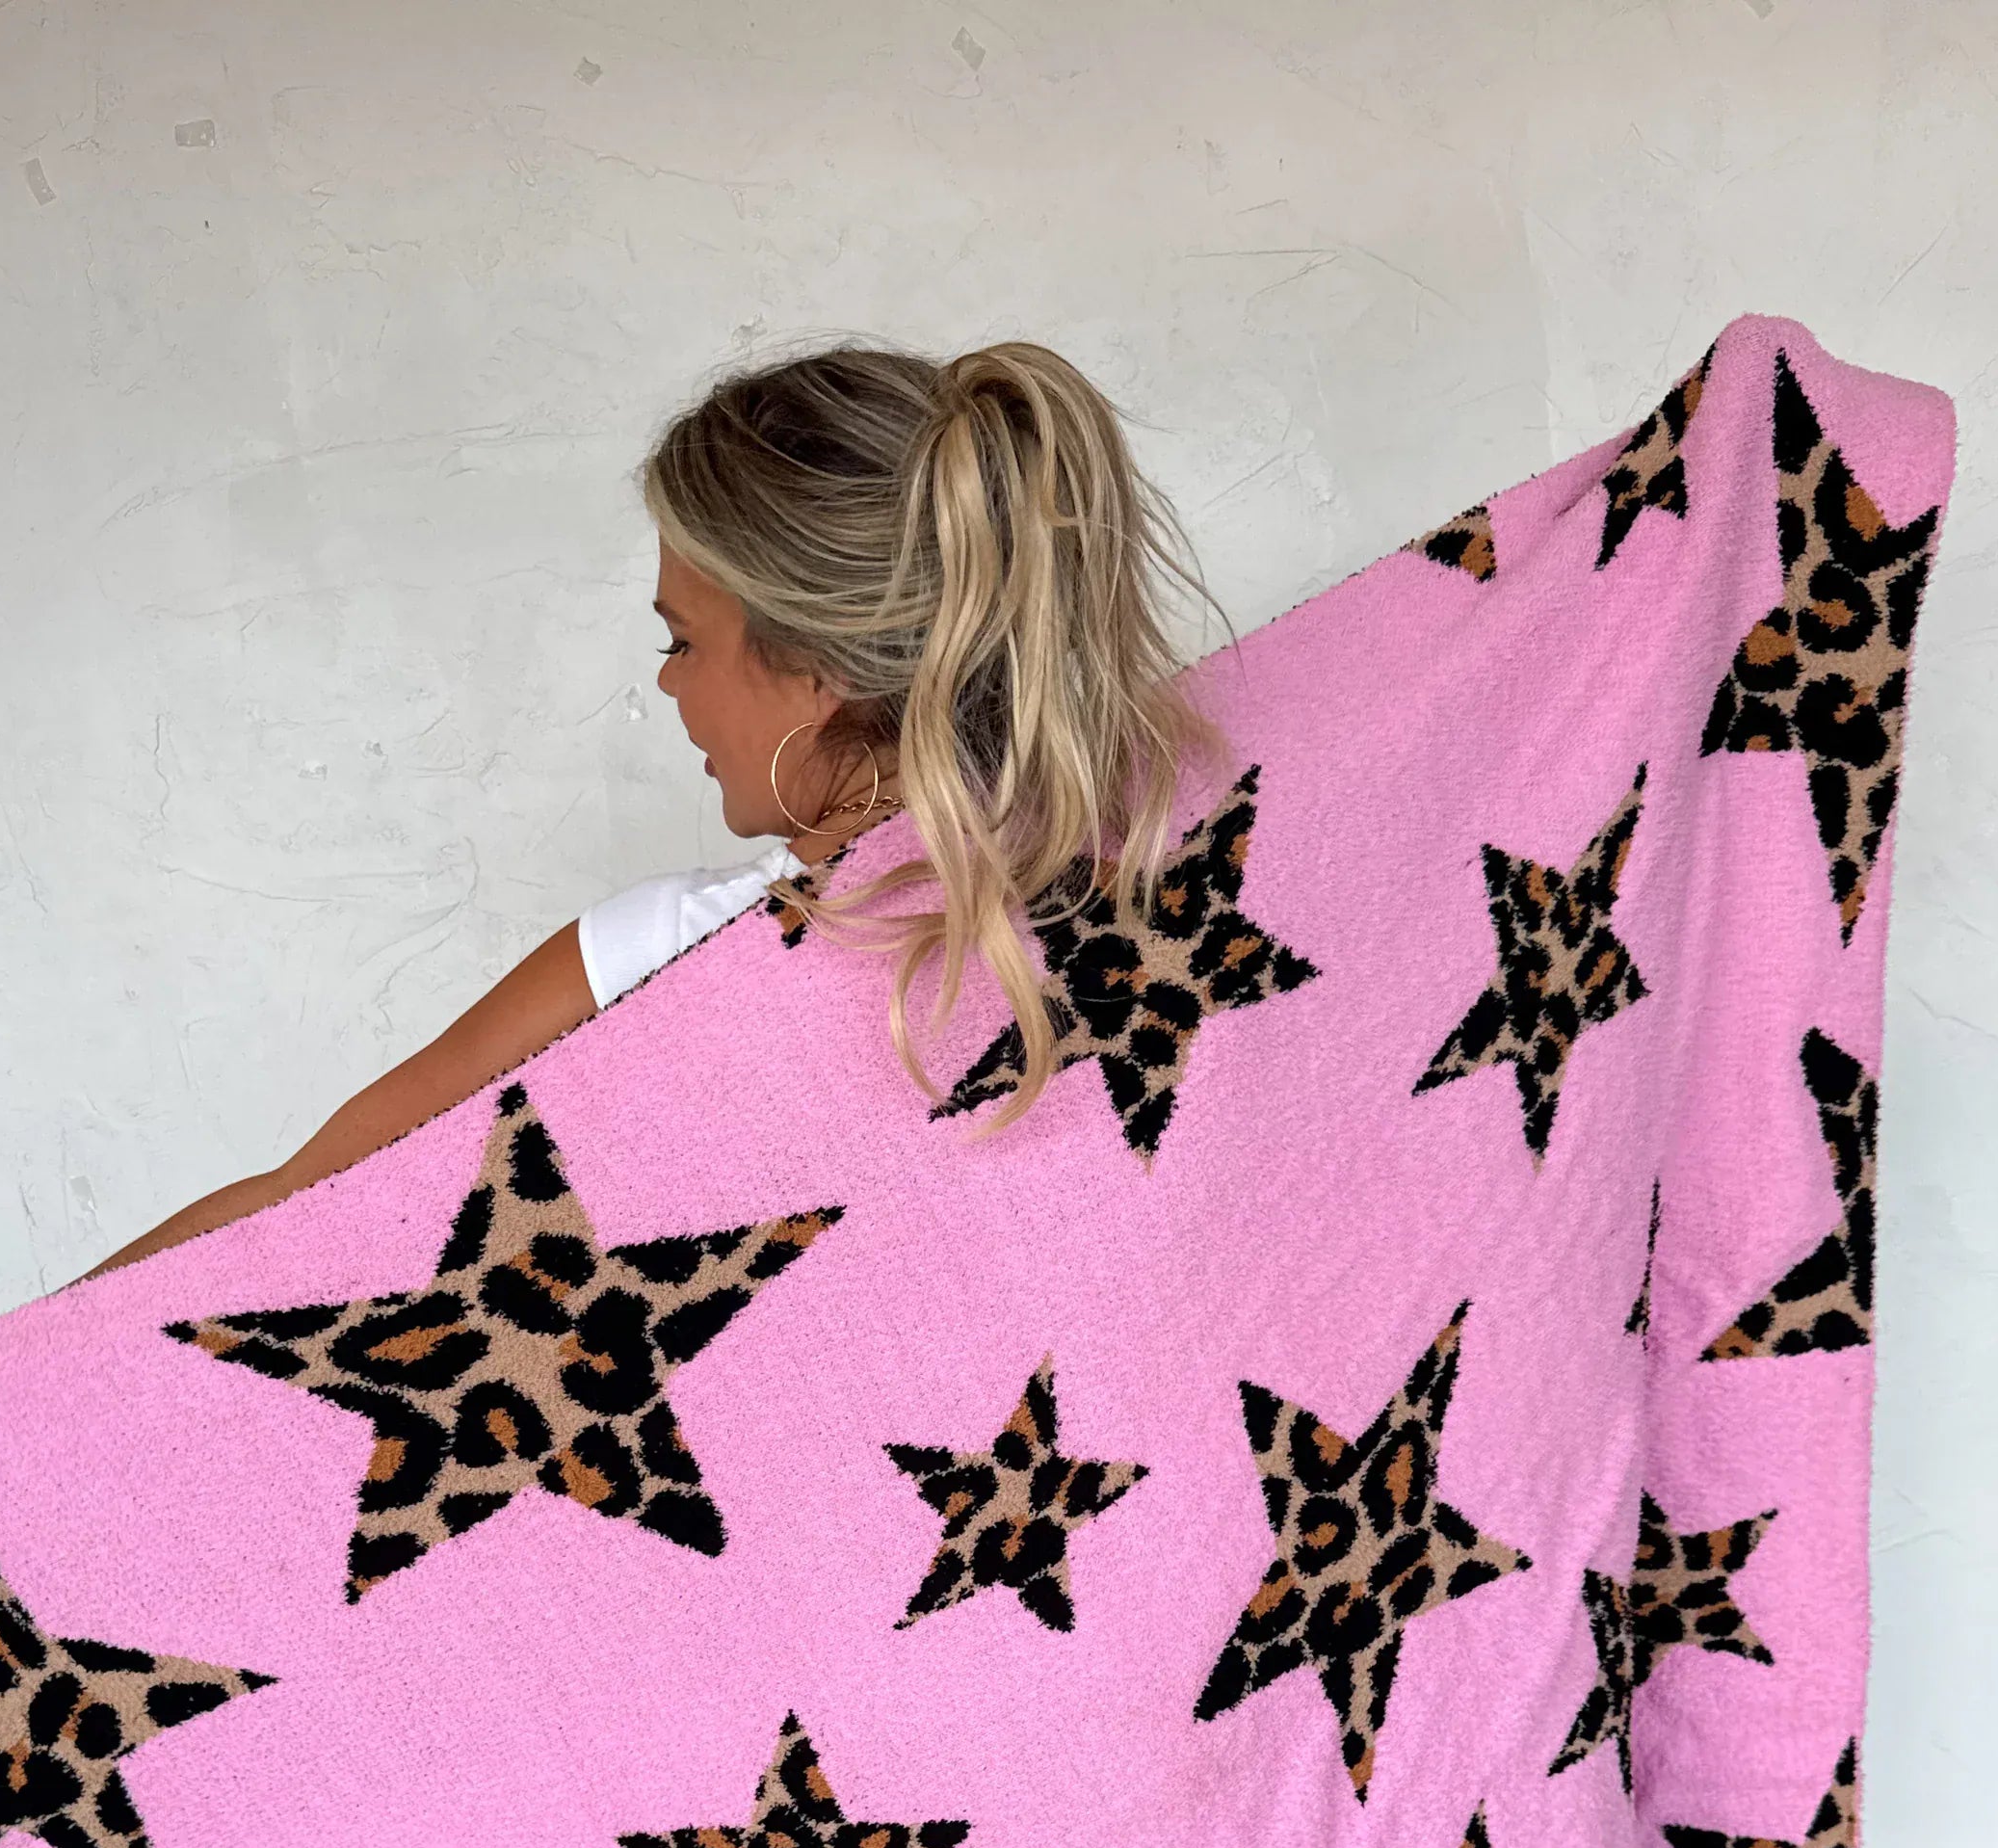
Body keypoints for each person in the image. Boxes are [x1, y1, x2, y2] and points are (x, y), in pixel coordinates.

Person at [89, 341, 1217, 1277]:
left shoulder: (667, 952)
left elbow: (293, 1214)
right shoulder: (1175, 877)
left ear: (818, 672)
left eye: (681, 641)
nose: (669, 684)